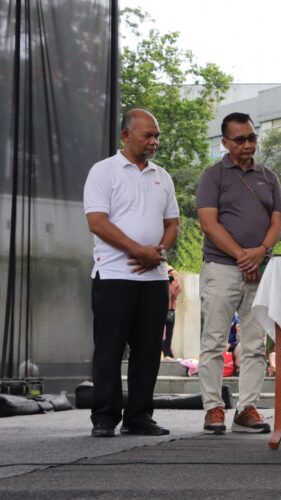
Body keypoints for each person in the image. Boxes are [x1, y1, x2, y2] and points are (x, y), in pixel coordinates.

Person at [83, 108, 179, 437]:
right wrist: (137, 250)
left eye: (156, 136)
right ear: (126, 135)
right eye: (147, 135)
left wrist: (159, 252)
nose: (154, 141)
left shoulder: (162, 176)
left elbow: (172, 223)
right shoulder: (103, 171)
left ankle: (139, 416)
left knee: (149, 351)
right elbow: (97, 222)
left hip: (154, 278)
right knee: (109, 349)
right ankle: (105, 417)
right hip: (113, 276)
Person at [196, 112, 281, 435]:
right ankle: (213, 407)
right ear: (225, 142)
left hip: (259, 269)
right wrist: (241, 256)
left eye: (252, 138)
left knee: (255, 343)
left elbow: (277, 221)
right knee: (215, 340)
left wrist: (259, 253)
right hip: (221, 267)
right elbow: (208, 223)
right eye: (240, 139)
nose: (248, 144)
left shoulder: (269, 177)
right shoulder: (213, 176)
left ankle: (247, 408)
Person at [161, 265, 181, 360]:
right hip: (165, 310)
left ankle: (166, 353)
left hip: (167, 310)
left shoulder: (173, 282)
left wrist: (173, 282)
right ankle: (165, 353)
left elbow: (176, 293)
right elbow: (175, 292)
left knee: (167, 334)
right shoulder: (163, 278)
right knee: (164, 334)